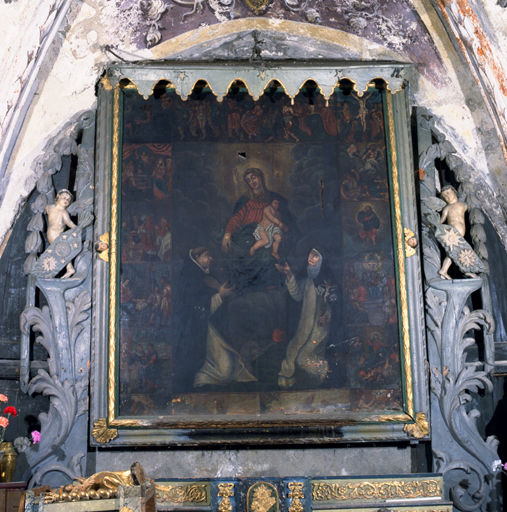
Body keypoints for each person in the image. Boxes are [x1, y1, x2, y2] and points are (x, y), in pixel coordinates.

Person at [173, 247, 256, 392]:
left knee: (228, 367)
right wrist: (220, 295)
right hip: (197, 332)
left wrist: (220, 291)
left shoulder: (206, 275)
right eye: (206, 256)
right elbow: (197, 308)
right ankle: (200, 378)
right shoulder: (191, 278)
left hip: (209, 328)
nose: (210, 259)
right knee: (225, 371)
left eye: (210, 255)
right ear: (197, 257)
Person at [275, 248, 340, 390]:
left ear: (321, 260)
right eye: (310, 254)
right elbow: (297, 296)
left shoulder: (328, 281)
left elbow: (335, 306)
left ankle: (321, 374)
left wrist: (327, 315)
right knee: (292, 349)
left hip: (319, 328)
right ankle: (287, 378)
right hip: (304, 325)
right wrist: (289, 275)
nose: (311, 257)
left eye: (316, 256)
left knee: (304, 357)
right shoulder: (307, 280)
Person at [46, 189, 77, 278]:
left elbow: (69, 223)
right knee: (59, 252)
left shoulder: (64, 212)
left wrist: (77, 228)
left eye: (68, 200)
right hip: (51, 233)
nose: (66, 200)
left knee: (60, 251)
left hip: (58, 234)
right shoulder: (50, 207)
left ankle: (66, 269)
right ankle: (66, 268)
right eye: (64, 197)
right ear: (58, 196)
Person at [438, 185, 467, 279]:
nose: (447, 196)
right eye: (444, 196)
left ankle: (444, 270)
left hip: (460, 234)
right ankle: (466, 271)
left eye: (448, 193)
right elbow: (441, 220)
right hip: (452, 234)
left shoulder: (463, 205)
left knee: (457, 253)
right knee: (457, 253)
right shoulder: (447, 208)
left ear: (454, 192)